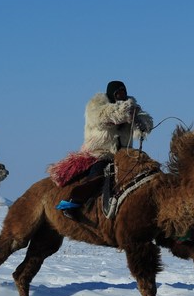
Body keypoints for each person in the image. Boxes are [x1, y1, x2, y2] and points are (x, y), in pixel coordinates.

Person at [58, 81, 153, 219]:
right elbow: (105, 116)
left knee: (146, 171)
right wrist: (127, 112)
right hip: (101, 153)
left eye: (123, 92)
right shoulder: (96, 106)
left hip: (125, 155)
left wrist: (140, 122)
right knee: (97, 176)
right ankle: (73, 203)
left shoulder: (132, 107)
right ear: (111, 94)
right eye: (118, 93)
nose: (121, 95)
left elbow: (146, 122)